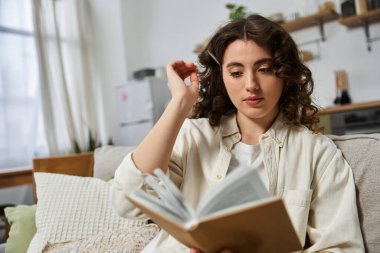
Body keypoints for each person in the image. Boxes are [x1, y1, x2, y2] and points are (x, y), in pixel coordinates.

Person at [111, 14, 364, 252]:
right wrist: (179, 104)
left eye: (264, 69)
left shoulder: (318, 153)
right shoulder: (193, 136)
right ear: (222, 77)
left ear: (284, 74)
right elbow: (127, 202)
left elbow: (341, 247)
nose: (251, 85)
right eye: (236, 73)